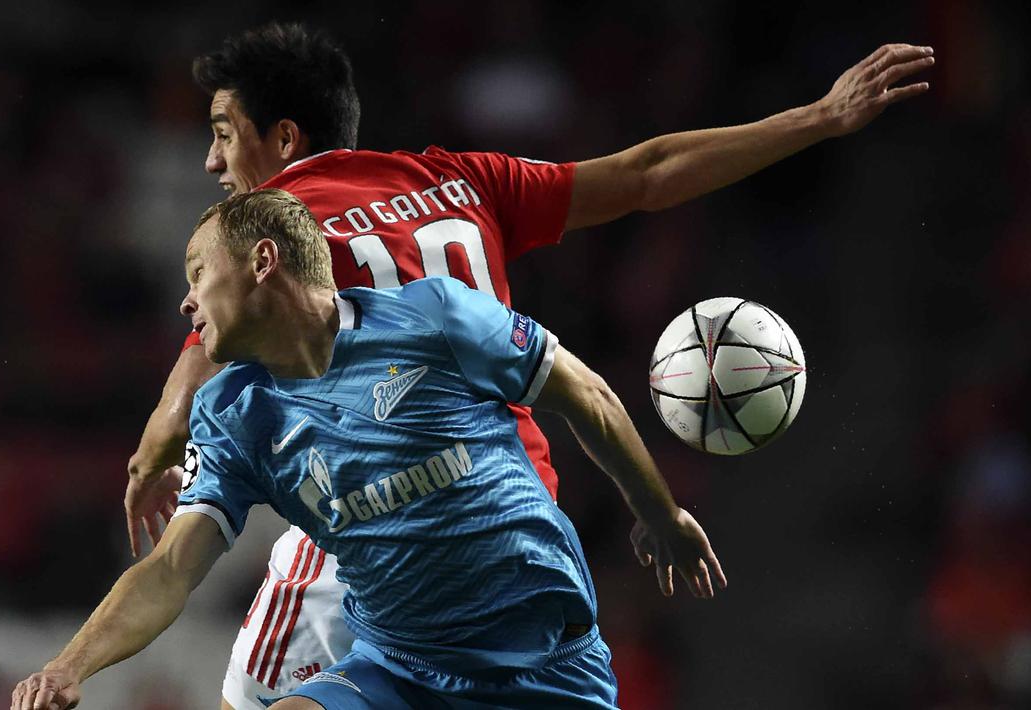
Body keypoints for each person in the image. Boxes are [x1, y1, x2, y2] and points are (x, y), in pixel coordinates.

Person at [122, 23, 934, 710]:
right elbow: (648, 174)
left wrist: (150, 457)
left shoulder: (273, 247)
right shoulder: (459, 181)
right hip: (519, 523)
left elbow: (201, 368)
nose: (212, 163)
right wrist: (820, 117)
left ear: (286, 139)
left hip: (379, 532)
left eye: (224, 133)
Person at [11, 189, 725, 710]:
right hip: (399, 674)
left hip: (543, 671)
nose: (186, 303)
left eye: (198, 273)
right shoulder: (235, 416)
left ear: (263, 260)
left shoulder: (435, 318)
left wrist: (658, 516)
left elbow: (586, 396)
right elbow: (170, 569)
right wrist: (70, 666)